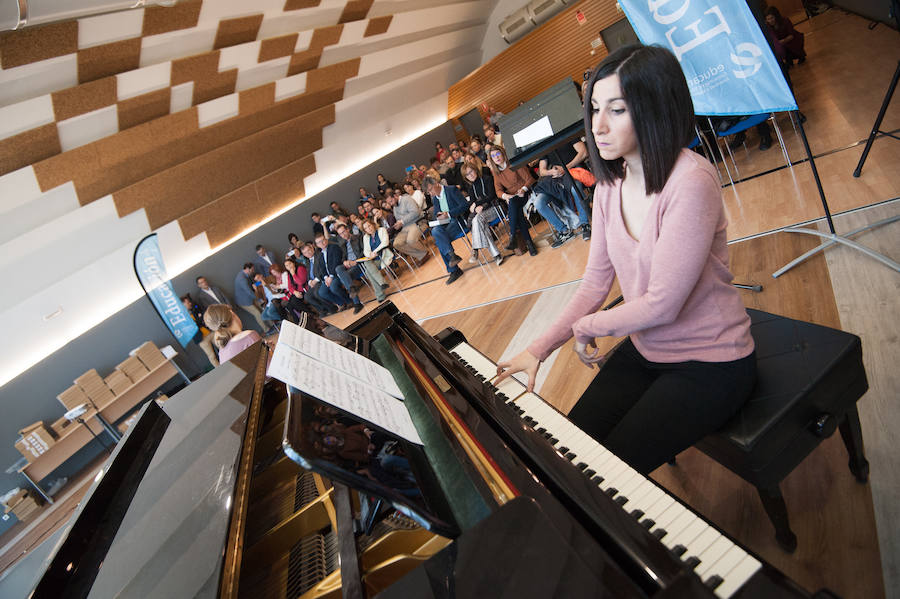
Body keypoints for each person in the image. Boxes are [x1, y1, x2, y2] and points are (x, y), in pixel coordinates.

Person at [496, 45, 757, 476]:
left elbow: (662, 304)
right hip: (648, 350)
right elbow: (595, 284)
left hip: (712, 361)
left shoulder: (690, 181)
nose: (596, 125)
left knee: (603, 479)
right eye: (594, 108)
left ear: (653, 106)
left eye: (615, 110)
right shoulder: (607, 189)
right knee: (568, 454)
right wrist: (537, 349)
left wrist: (589, 327)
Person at [487, 145, 538, 256]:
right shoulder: (496, 172)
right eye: (493, 156)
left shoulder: (513, 163)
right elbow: (498, 191)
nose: (496, 157)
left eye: (498, 154)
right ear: (492, 160)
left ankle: (513, 235)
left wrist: (523, 189)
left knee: (514, 205)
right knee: (516, 209)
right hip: (513, 198)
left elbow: (529, 179)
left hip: (525, 192)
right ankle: (529, 244)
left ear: (503, 153)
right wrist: (506, 196)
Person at [423, 176, 467, 284]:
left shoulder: (451, 190)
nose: (430, 193)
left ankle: (454, 270)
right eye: (428, 192)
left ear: (436, 184)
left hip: (458, 222)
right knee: (436, 232)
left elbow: (464, 205)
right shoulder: (435, 199)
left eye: (430, 190)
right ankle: (452, 255)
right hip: (446, 225)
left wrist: (448, 214)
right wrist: (438, 217)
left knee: (439, 239)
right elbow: (437, 214)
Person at [461, 163, 505, 265]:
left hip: (495, 207)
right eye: (467, 174)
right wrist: (477, 207)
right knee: (480, 223)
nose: (470, 175)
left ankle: (475, 249)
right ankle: (496, 255)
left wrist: (477, 204)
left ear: (475, 169)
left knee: (477, 220)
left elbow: (491, 195)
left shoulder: (487, 179)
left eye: (471, 171)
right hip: (483, 215)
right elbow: (473, 207)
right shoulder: (471, 188)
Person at [335, 222, 389, 303]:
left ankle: (354, 293)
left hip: (359, 264)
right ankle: (352, 288)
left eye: (343, 232)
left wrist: (355, 261)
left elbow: (364, 252)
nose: (343, 235)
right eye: (340, 234)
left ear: (348, 229)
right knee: (338, 268)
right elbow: (343, 257)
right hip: (350, 265)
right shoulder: (343, 245)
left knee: (347, 277)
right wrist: (345, 262)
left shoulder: (359, 237)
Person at [392, 184, 429, 264]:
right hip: (405, 227)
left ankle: (424, 253)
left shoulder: (406, 199)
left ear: (395, 196)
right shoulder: (394, 207)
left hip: (417, 222)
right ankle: (421, 254)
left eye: (391, 201)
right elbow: (399, 219)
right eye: (390, 203)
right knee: (397, 244)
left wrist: (402, 221)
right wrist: (398, 224)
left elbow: (415, 212)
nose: (391, 204)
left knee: (411, 240)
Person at [181, 294, 219, 368]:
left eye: (189, 302)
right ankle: (218, 367)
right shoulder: (182, 317)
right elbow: (193, 326)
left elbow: (203, 317)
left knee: (221, 346)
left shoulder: (195, 308)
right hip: (201, 339)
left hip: (210, 332)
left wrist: (199, 319)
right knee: (211, 355)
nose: (190, 303)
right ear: (182, 305)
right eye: (187, 303)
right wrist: (199, 320)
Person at [233, 262, 270, 332]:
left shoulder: (246, 275)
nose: (253, 271)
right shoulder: (242, 279)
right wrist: (259, 299)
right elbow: (249, 292)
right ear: (247, 269)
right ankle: (267, 330)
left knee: (263, 308)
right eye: (252, 270)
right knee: (257, 313)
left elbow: (253, 285)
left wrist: (260, 281)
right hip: (244, 301)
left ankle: (272, 324)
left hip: (250, 296)